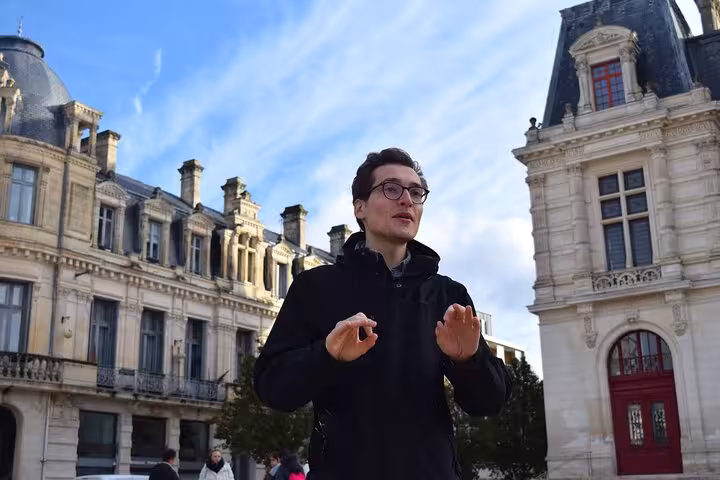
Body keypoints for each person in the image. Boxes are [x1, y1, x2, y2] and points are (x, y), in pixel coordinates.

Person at [254, 147, 512, 480]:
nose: (407, 200)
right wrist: (327, 355)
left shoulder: (448, 295)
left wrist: (468, 362)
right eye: (391, 188)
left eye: (416, 192)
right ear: (359, 207)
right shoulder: (315, 287)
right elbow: (271, 388)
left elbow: (488, 402)